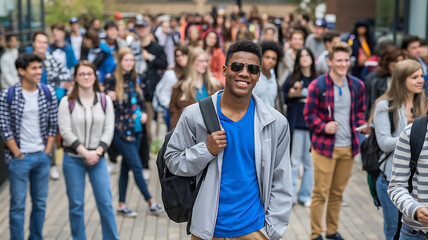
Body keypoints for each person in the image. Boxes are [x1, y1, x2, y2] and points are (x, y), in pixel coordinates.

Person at [164, 40, 292, 240]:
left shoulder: (276, 123)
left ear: (258, 75)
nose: (244, 73)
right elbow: (172, 161)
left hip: (254, 229)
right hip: (207, 231)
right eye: (237, 66)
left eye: (252, 69)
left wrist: (273, 230)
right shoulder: (194, 115)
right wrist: (205, 150)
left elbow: (281, 180)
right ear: (224, 70)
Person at [303, 42, 368, 240]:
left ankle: (332, 232)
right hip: (324, 147)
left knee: (337, 193)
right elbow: (309, 114)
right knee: (320, 193)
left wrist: (362, 125)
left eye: (346, 60)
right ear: (330, 62)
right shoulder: (318, 85)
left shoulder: (357, 85)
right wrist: (324, 126)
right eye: (339, 60)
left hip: (348, 147)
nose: (343, 64)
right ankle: (316, 234)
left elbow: (358, 113)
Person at [58, 61, 119, 240]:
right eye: (82, 74)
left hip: (98, 158)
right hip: (73, 159)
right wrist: (85, 152)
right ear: (75, 78)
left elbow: (109, 128)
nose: (86, 77)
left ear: (95, 77)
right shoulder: (66, 102)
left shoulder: (104, 100)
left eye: (89, 74)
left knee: (106, 203)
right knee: (76, 205)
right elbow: (65, 131)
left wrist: (98, 152)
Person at [0, 53, 58, 240]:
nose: (38, 71)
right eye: (34, 68)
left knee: (40, 204)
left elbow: (53, 124)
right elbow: (5, 128)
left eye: (39, 68)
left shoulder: (48, 92)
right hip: (20, 158)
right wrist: (17, 153)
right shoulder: (7, 95)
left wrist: (47, 151)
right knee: (17, 206)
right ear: (21, 71)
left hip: (42, 156)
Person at [369, 59, 427, 240]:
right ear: (401, 80)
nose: (420, 80)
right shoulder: (384, 106)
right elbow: (384, 143)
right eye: (414, 77)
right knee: (393, 228)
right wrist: (411, 134)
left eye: (422, 76)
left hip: (418, 180)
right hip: (389, 177)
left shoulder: (423, 103)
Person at [103, 48, 163, 217]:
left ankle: (121, 204)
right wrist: (108, 97)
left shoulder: (136, 79)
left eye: (131, 60)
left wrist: (144, 113)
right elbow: (104, 104)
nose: (129, 63)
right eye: (126, 60)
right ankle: (151, 201)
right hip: (120, 131)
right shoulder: (111, 80)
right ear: (120, 61)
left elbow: (141, 103)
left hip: (137, 130)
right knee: (137, 167)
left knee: (125, 169)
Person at [283, 47, 317, 207]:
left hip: (312, 127)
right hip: (296, 124)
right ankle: (290, 197)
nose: (304, 58)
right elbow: (284, 97)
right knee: (294, 161)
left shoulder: (318, 80)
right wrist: (293, 93)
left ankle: (305, 196)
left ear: (312, 58)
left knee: (310, 162)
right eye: (301, 55)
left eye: (307, 55)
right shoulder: (292, 78)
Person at [129, 14, 167, 143]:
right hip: (134, 89)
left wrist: (150, 57)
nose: (140, 30)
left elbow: (164, 64)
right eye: (138, 28)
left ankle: (147, 150)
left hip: (149, 91)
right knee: (134, 122)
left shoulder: (156, 47)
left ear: (148, 28)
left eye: (142, 27)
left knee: (147, 123)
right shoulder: (132, 46)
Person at [169, 47, 222, 129]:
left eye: (206, 61)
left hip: (213, 133)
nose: (205, 64)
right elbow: (174, 115)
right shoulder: (180, 87)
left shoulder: (215, 86)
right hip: (190, 134)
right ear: (192, 62)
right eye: (201, 61)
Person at [153, 45, 189, 131]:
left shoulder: (192, 73)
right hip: (173, 113)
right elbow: (162, 95)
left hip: (187, 112)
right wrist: (172, 108)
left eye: (183, 55)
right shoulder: (171, 74)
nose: (180, 58)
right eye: (177, 56)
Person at [365, 46, 405, 119]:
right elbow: (371, 105)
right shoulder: (376, 82)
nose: (400, 64)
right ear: (387, 63)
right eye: (396, 61)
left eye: (401, 60)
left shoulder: (408, 79)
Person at [252, 40, 283, 109]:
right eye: (267, 57)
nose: (270, 61)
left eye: (273, 58)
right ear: (261, 58)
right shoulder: (253, 77)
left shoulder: (275, 80)